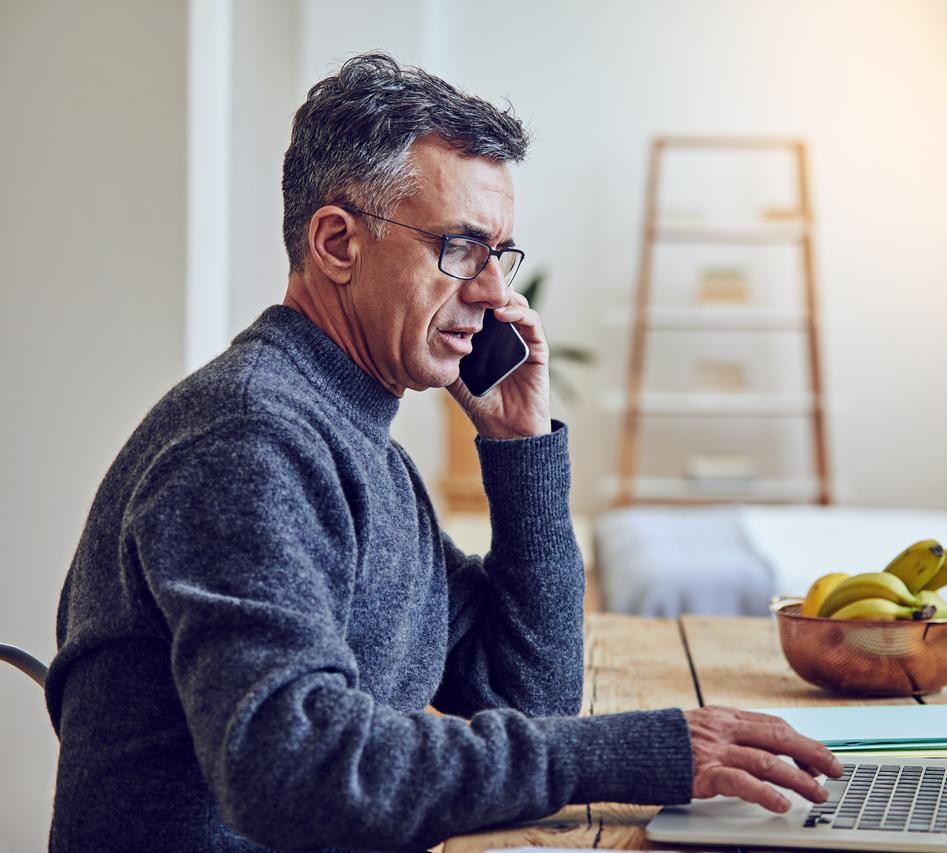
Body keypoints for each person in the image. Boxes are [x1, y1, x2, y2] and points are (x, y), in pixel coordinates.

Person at [45, 52, 841, 852]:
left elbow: (526, 693)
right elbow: (291, 764)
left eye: (500, 254)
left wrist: (521, 451)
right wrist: (635, 753)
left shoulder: (359, 444)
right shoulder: (251, 440)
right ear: (337, 242)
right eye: (461, 247)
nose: (494, 292)